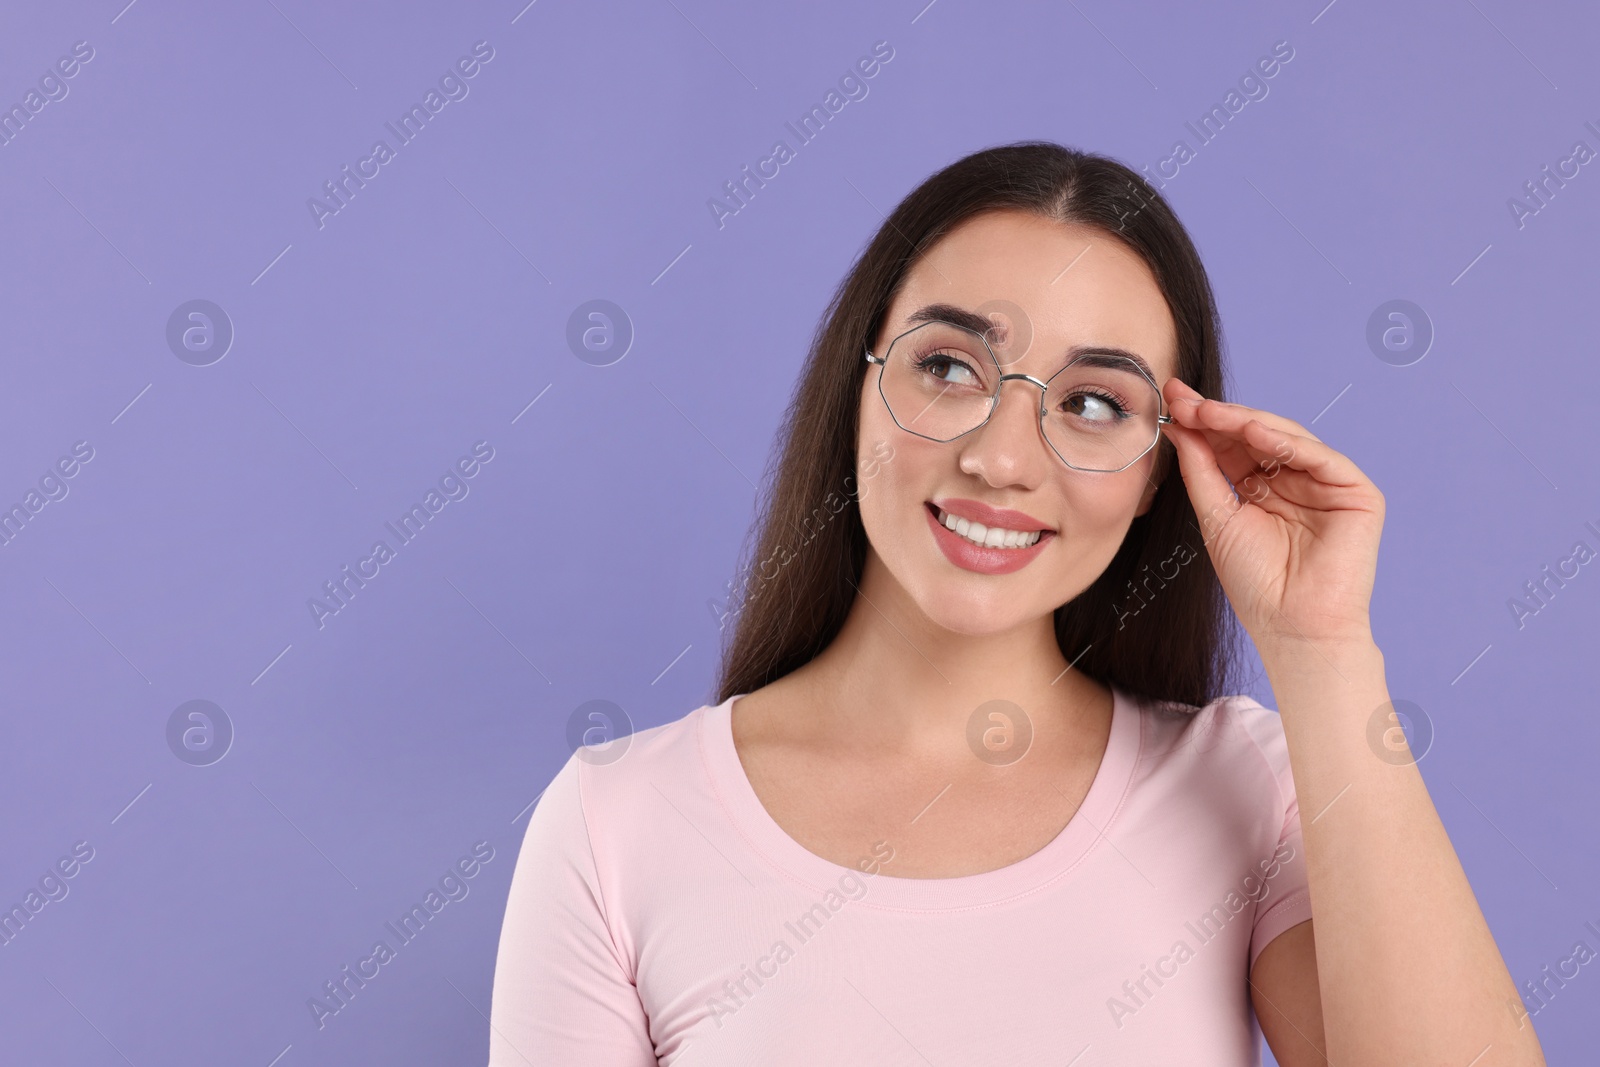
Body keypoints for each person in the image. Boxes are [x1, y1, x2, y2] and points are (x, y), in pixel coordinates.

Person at [485, 141, 1546, 1065]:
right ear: (856, 386)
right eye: (949, 365)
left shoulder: (1240, 788)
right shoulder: (617, 820)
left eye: (1092, 402)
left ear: (1155, 478)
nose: (999, 457)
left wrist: (1322, 646)